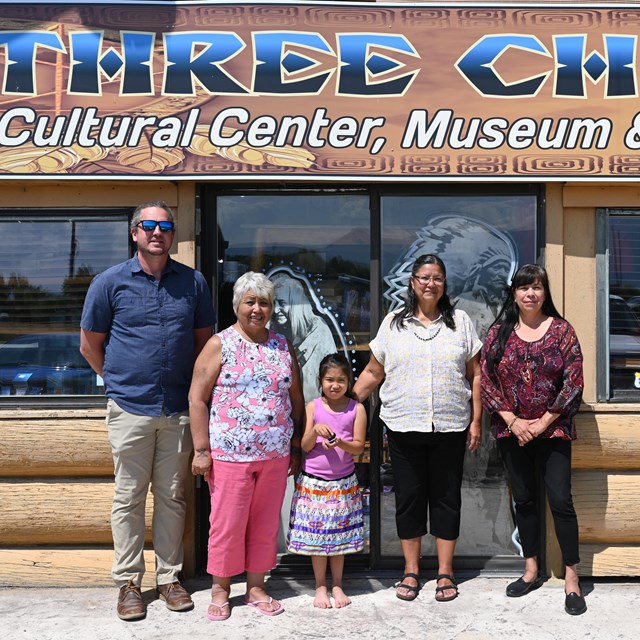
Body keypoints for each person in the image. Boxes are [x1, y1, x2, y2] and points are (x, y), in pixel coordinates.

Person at [80, 201, 215, 621]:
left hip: (177, 409)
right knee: (129, 498)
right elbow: (89, 345)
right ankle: (128, 584)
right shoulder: (109, 283)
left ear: (173, 235)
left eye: (165, 226)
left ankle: (170, 579)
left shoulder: (193, 283)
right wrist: (118, 386)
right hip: (130, 409)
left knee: (173, 498)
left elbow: (204, 343)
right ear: (135, 233)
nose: (157, 232)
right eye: (149, 225)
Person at [353, 254, 482, 603]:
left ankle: (444, 572)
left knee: (446, 499)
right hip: (403, 426)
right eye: (424, 277)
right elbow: (373, 372)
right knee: (409, 500)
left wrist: (476, 419)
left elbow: (476, 374)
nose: (430, 283)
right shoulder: (394, 323)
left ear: (444, 284)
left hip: (450, 426)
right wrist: (343, 406)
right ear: (412, 282)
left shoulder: (461, 322)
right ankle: (411, 570)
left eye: (437, 277)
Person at [188, 271, 304, 621]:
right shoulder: (219, 343)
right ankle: (221, 589)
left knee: (265, 523)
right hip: (229, 455)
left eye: (264, 302)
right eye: (250, 301)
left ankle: (256, 587)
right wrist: (201, 450)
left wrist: (296, 443)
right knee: (227, 523)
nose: (257, 309)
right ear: (237, 304)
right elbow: (196, 398)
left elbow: (295, 397)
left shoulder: (282, 345)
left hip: (274, 455)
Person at [480, 264, 586, 616]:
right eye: (524, 288)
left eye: (537, 287)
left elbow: (574, 382)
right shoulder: (498, 333)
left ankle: (572, 577)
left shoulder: (562, 331)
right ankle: (531, 569)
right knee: (524, 500)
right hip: (513, 433)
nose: (531, 294)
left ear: (545, 292)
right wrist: (513, 421)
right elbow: (486, 380)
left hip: (553, 430)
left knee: (560, 500)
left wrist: (541, 422)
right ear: (514, 293)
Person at [287, 352, 367, 609]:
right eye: (330, 379)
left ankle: (337, 584)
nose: (335, 385)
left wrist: (340, 441)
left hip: (343, 483)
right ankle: (320, 585)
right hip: (314, 484)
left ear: (349, 381)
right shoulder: (313, 407)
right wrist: (314, 430)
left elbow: (357, 447)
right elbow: (305, 446)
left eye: (341, 380)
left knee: (339, 538)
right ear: (320, 380)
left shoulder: (358, 409)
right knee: (318, 538)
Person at [270, 272, 336, 401]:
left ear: (296, 304)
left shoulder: (319, 331)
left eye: (282, 303)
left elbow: (333, 374)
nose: (276, 309)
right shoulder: (271, 331)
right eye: (273, 304)